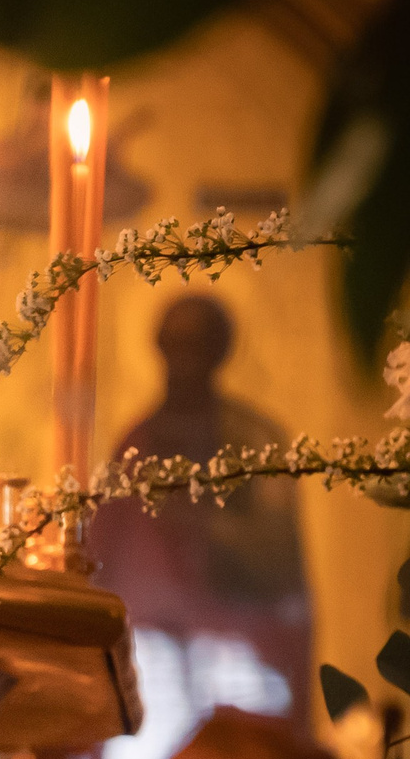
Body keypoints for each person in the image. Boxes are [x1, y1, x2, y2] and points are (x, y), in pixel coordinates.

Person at [87, 295, 313, 713]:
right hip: (152, 660)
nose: (183, 361)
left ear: (218, 352)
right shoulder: (136, 444)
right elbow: (101, 559)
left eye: (196, 346)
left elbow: (277, 569)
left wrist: (202, 524)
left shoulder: (256, 441)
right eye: (173, 346)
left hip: (238, 660)